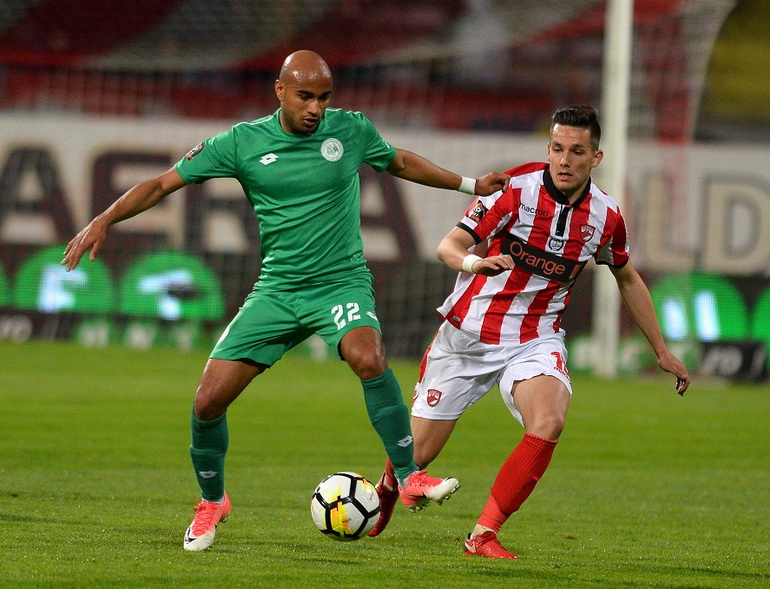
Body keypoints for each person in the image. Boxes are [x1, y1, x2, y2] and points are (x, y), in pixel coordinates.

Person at [60, 50, 509, 552]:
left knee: (368, 357)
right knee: (207, 401)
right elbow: (163, 183)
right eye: (305, 96)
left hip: (340, 282)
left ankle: (409, 477)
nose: (316, 108)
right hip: (278, 290)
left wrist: (470, 185)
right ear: (280, 91)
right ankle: (212, 501)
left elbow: (400, 161)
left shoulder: (351, 129)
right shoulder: (241, 142)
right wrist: (104, 218)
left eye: (324, 97)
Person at [367, 105, 691, 558]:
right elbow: (449, 245)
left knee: (549, 421)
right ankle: (387, 487)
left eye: (577, 152)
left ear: (596, 158)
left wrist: (660, 349)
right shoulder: (514, 188)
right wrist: (475, 262)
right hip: (468, 333)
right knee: (418, 454)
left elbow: (627, 277)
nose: (564, 160)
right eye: (557, 148)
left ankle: (483, 535)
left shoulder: (606, 216)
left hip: (536, 337)